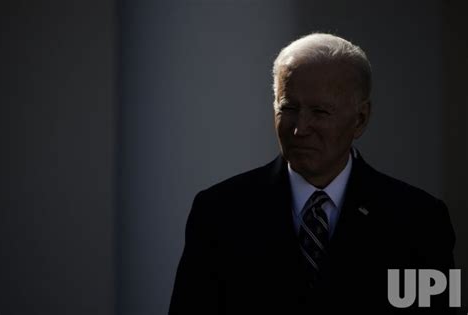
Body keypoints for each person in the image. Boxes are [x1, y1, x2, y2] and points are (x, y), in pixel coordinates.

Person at [168, 33, 455, 314]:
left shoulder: (420, 221)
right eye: (288, 108)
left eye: (320, 112)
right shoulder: (219, 213)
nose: (299, 128)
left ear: (361, 119)